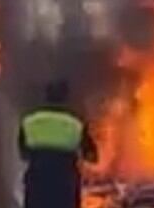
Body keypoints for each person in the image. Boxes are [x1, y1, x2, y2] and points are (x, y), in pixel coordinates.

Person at [18, 80, 97, 208]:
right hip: (64, 185)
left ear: (46, 97)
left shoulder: (29, 121)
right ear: (66, 98)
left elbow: (23, 154)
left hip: (37, 183)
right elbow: (91, 155)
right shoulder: (75, 123)